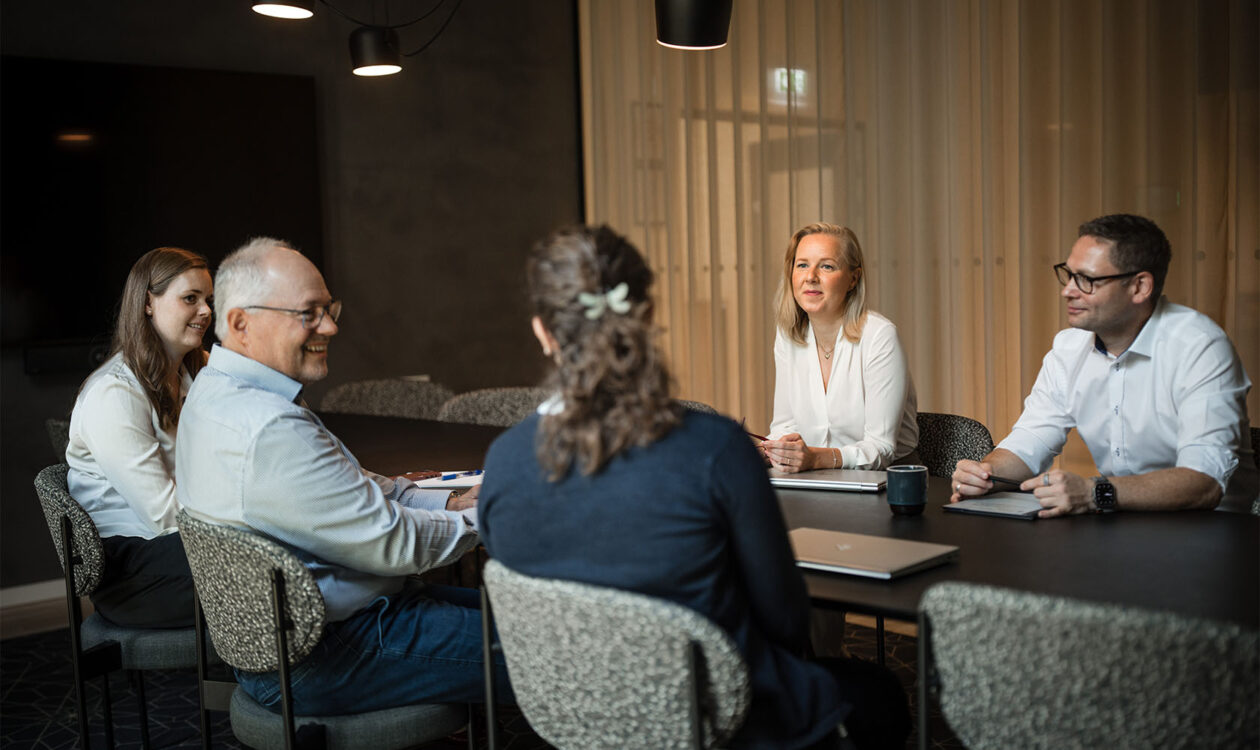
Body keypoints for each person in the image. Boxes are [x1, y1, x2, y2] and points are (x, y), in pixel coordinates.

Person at [478, 225, 910, 750]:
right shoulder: (715, 450)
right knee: (883, 695)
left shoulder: (502, 463)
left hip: (571, 719)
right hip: (722, 717)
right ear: (647, 319)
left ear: (543, 332)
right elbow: (787, 620)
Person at [175, 237, 509, 714]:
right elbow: (395, 544)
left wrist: (452, 503)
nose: (330, 326)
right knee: (561, 649)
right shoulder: (268, 427)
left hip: (290, 638)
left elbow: (345, 488)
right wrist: (495, 516)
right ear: (241, 323)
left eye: (329, 308)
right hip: (328, 652)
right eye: (308, 312)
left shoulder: (218, 392)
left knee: (540, 623)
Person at [952, 213, 1256, 515]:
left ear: (1139, 287)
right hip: (1120, 525)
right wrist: (985, 474)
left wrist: (1094, 491)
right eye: (1069, 275)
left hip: (1212, 534)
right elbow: (1031, 440)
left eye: (1087, 279)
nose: (1067, 290)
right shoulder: (1068, 348)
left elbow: (1204, 482)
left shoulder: (1200, 347)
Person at [66, 247, 212, 628]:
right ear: (149, 302)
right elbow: (165, 516)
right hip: (133, 570)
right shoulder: (114, 394)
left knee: (289, 547)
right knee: (275, 560)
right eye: (190, 299)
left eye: (208, 300)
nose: (206, 311)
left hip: (184, 541)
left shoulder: (195, 373)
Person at [762, 223, 919, 473]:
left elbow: (881, 448)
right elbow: (785, 425)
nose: (810, 276)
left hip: (887, 480)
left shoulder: (880, 336)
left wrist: (817, 458)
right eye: (802, 264)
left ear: (853, 279)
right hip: (813, 477)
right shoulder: (788, 336)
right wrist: (773, 449)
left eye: (826, 266)